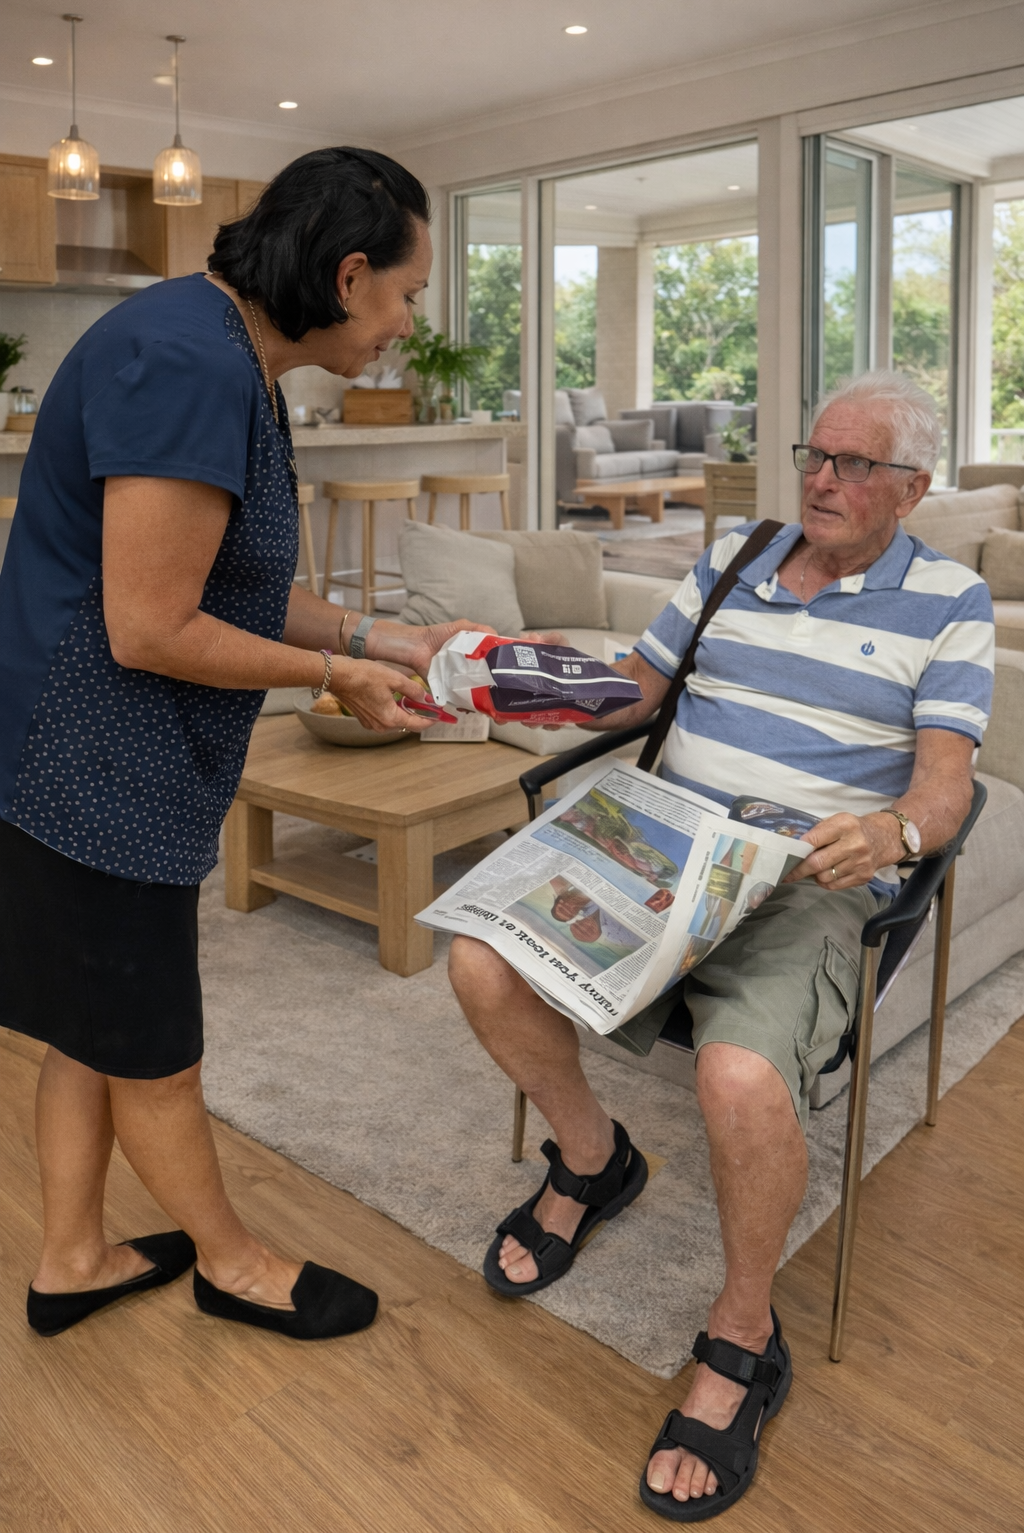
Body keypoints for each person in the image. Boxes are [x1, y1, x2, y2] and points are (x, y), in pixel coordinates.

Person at [448, 371, 994, 1520]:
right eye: (815, 455)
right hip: (664, 846)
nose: (822, 480)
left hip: (804, 881)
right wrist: (515, 671)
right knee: (478, 956)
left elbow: (945, 787)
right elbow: (635, 691)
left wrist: (890, 829)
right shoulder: (740, 556)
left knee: (737, 1071)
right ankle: (594, 1160)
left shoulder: (948, 600)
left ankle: (742, 1331)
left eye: (855, 466)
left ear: (913, 487)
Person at [0, 146, 475, 1342]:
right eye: (409, 295)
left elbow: (234, 586)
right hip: (86, 763)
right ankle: (234, 1263)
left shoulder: (227, 354)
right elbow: (151, 624)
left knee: (90, 1025)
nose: (408, 325)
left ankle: (71, 1257)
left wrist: (381, 636)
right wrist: (335, 672)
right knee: (153, 1044)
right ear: (351, 273)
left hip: (93, 751)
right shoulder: (188, 363)